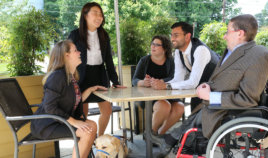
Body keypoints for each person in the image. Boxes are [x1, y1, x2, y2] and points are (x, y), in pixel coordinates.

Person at [151, 14, 268, 157]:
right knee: (194, 117)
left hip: (228, 111)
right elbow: (223, 79)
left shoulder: (260, 55)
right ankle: (170, 141)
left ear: (240, 33)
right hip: (213, 105)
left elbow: (247, 99)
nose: (224, 36)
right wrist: (207, 86)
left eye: (228, 32)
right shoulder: (233, 52)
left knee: (196, 118)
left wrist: (211, 95)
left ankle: (169, 142)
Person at [31, 40, 107, 158]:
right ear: (66, 56)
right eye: (75, 50)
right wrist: (74, 121)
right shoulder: (57, 76)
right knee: (87, 131)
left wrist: (90, 89)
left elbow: (75, 99)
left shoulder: (70, 76)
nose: (79, 52)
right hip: (47, 124)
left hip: (58, 121)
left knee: (92, 125)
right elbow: (50, 107)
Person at [68, 2, 125, 136]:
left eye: (101, 14)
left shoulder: (104, 35)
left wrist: (115, 81)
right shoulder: (75, 35)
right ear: (85, 15)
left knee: (107, 111)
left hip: (99, 75)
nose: (99, 17)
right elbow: (67, 57)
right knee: (83, 113)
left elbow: (109, 61)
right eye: (95, 13)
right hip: (82, 76)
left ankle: (99, 139)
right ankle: (86, 140)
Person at [151, 22, 219, 112]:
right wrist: (161, 83)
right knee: (194, 115)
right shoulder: (178, 52)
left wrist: (166, 86)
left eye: (176, 35)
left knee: (200, 116)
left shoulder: (200, 50)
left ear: (187, 36)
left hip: (218, 90)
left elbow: (192, 83)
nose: (172, 39)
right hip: (202, 89)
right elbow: (178, 79)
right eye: (171, 35)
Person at [132, 35, 184, 134]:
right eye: (152, 44)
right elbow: (134, 80)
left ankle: (160, 133)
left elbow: (174, 78)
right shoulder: (144, 61)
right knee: (164, 106)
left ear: (164, 48)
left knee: (180, 107)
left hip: (168, 94)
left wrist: (160, 82)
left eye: (157, 45)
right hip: (148, 97)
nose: (153, 46)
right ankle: (151, 134)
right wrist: (143, 82)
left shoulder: (171, 61)